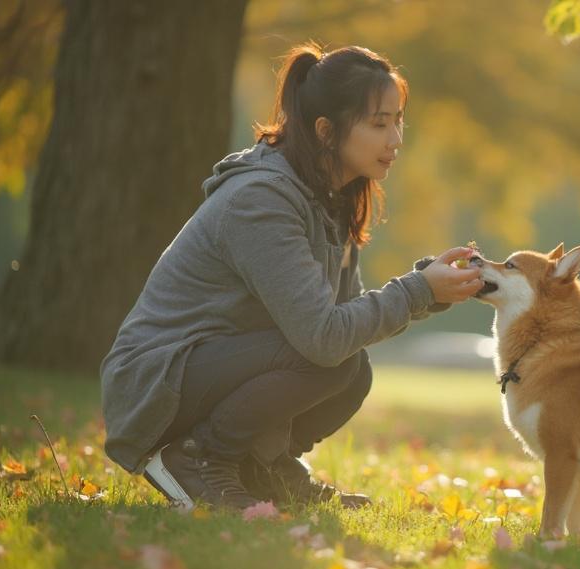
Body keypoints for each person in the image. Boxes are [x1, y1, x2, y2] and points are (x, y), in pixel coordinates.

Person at [100, 42, 483, 510]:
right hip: (157, 381)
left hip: (211, 368)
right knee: (333, 358)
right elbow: (323, 337)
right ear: (326, 130)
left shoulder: (331, 196)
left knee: (352, 367)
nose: (396, 138)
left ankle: (261, 466)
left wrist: (428, 290)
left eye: (398, 119)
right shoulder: (261, 200)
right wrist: (417, 290)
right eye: (379, 123)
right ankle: (198, 457)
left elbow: (345, 317)